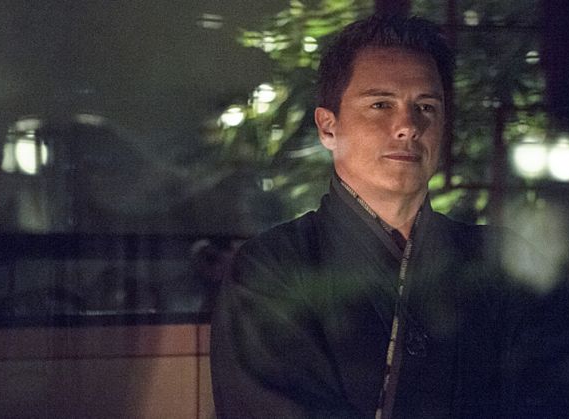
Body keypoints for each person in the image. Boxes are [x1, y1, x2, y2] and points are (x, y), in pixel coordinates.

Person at [211, 14, 533, 418]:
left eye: (426, 107)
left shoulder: (495, 260)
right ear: (328, 127)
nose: (408, 126)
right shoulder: (271, 268)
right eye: (381, 105)